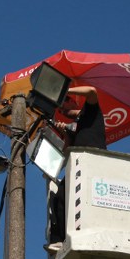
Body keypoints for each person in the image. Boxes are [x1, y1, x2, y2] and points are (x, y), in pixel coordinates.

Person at [46, 85, 104, 249]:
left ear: (73, 101)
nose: (62, 108)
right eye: (59, 107)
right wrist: (65, 133)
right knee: (60, 198)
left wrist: (64, 90)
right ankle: (61, 240)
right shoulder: (74, 127)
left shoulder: (90, 112)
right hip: (78, 166)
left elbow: (92, 91)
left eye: (64, 103)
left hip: (95, 162)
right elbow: (66, 152)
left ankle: (65, 238)